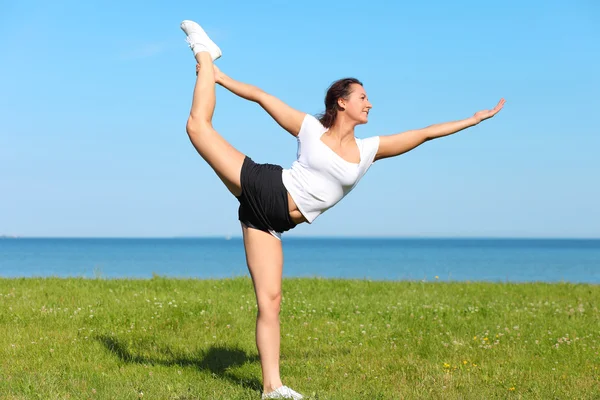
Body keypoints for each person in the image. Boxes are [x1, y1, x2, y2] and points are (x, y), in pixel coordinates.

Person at [179, 19, 505, 399]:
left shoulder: (368, 151)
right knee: (197, 127)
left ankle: (272, 388)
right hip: (266, 187)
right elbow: (261, 96)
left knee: (270, 301)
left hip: (269, 221)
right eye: (363, 97)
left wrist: (473, 120)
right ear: (342, 101)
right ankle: (203, 50)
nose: (370, 103)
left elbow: (425, 132)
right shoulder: (309, 130)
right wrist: (220, 77)